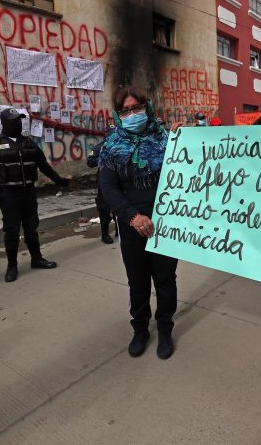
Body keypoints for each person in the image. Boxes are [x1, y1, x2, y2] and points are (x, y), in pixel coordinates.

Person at [99, 88, 178, 360]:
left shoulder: (167, 139)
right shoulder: (111, 147)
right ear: (118, 115)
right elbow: (108, 189)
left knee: (166, 279)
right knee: (138, 281)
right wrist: (132, 216)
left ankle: (165, 328)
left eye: (137, 108)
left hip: (167, 223)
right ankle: (141, 328)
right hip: (132, 224)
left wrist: (187, 139)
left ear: (148, 107)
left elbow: (190, 172)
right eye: (125, 111)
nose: (132, 114)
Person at [0, 108, 69, 282]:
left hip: (28, 193)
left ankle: (37, 259)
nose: (19, 124)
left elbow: (44, 166)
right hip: (8, 194)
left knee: (31, 227)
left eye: (20, 120)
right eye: (15, 121)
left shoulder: (29, 143)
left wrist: (60, 180)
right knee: (12, 231)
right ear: (5, 123)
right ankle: (12, 266)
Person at [87, 139, 117, 244]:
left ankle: (119, 229)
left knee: (120, 206)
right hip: (105, 181)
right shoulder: (100, 147)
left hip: (120, 180)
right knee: (104, 208)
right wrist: (101, 159)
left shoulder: (122, 143)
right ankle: (105, 234)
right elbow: (90, 161)